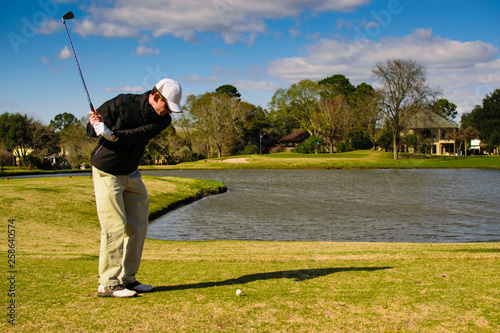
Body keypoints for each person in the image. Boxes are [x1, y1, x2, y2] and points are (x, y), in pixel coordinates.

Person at [87, 78, 182, 298]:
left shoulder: (163, 120)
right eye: (166, 106)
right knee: (114, 225)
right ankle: (108, 283)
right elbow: (90, 131)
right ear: (156, 96)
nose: (167, 111)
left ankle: (128, 279)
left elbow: (137, 135)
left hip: (130, 171)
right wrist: (96, 124)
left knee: (138, 224)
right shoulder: (122, 103)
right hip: (107, 170)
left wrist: (111, 134)